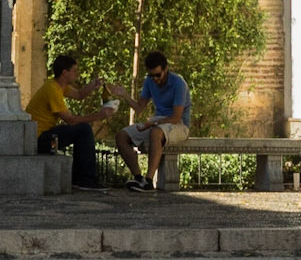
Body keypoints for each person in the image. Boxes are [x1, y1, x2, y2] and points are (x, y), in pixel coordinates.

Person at [25, 53, 116, 190]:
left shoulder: (57, 85)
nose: (77, 74)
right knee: (83, 129)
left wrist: (93, 86)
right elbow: (71, 120)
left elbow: (79, 95)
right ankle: (85, 180)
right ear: (65, 73)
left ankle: (79, 177)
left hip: (46, 136)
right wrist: (100, 115)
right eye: (74, 71)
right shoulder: (52, 90)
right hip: (39, 141)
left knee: (81, 130)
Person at [116, 50, 192, 194]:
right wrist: (124, 95)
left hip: (179, 124)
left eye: (158, 75)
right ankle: (139, 178)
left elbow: (176, 117)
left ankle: (149, 181)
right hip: (158, 122)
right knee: (121, 136)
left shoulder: (178, 83)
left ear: (166, 69)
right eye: (151, 75)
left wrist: (154, 123)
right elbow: (139, 108)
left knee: (155, 132)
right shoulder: (149, 82)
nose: (155, 79)